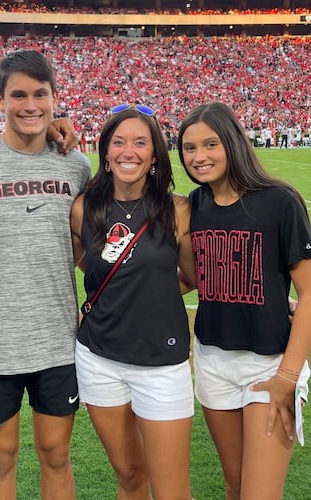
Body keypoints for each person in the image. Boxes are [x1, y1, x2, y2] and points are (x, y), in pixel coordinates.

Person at [0, 49, 91, 499]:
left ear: (55, 99)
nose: (30, 105)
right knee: (0, 458)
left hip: (56, 337)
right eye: (18, 95)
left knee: (56, 455)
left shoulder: (77, 166)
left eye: (39, 94)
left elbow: (87, 243)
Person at [178, 101, 311, 500]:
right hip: (213, 360)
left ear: (234, 142)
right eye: (189, 148)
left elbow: (308, 291)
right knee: (235, 486)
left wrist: (288, 377)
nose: (199, 157)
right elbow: (196, 278)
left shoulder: (279, 201)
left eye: (210, 144)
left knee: (259, 494)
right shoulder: (195, 205)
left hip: (269, 362)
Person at [70, 104, 196, 499]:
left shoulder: (178, 210)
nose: (129, 151)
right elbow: (75, 263)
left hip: (162, 363)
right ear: (105, 153)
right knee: (129, 476)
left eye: (140, 142)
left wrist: (150, 293)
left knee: (172, 488)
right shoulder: (82, 208)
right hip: (98, 359)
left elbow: (193, 278)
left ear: (155, 154)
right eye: (119, 142)